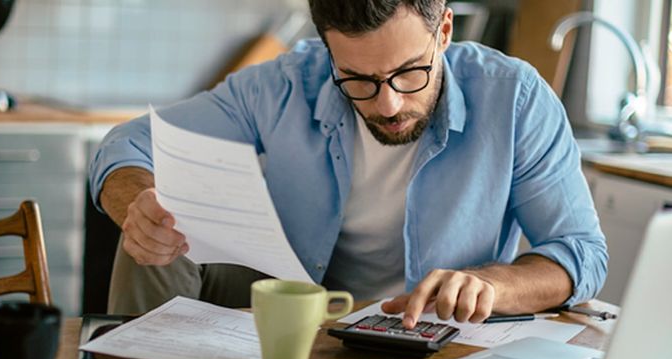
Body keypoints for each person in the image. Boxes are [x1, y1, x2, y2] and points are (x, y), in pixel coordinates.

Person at [89, 0, 607, 328]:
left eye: (409, 73)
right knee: (154, 214)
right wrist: (136, 203)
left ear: (444, 30)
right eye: (357, 78)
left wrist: (492, 285)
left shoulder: (514, 98)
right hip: (295, 305)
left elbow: (581, 253)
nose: (387, 104)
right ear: (328, 53)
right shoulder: (287, 82)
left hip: (430, 333)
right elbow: (128, 144)